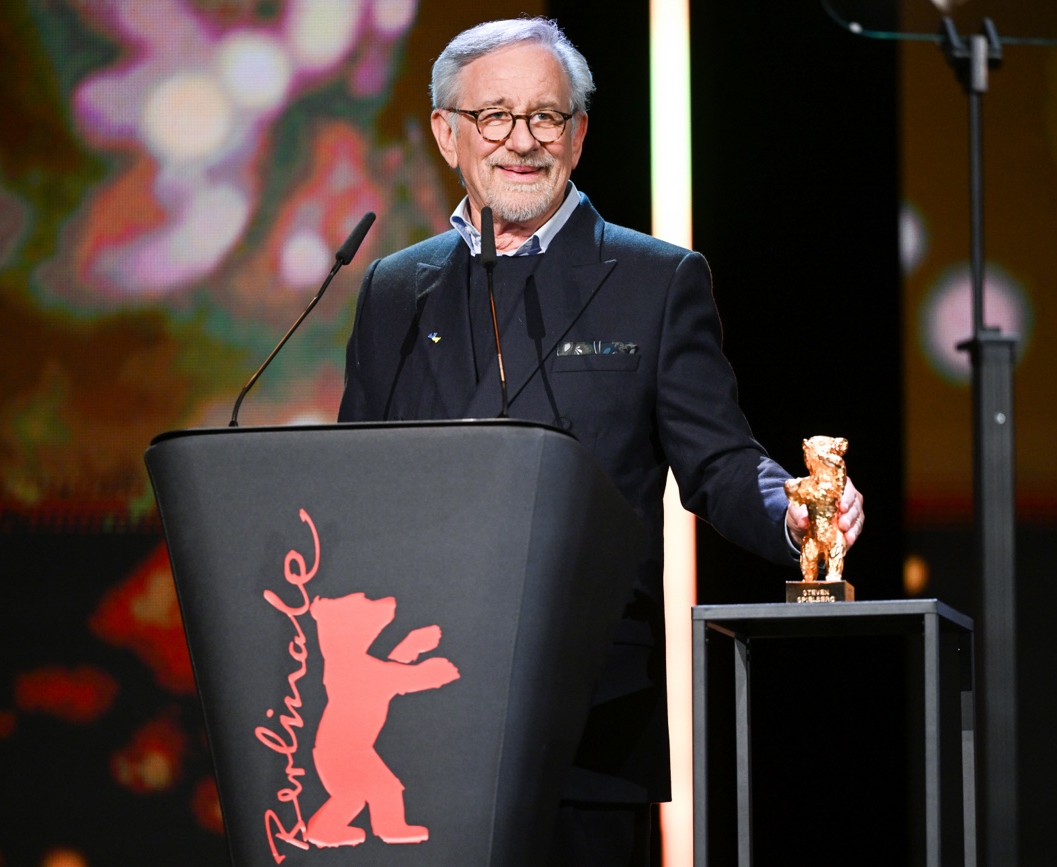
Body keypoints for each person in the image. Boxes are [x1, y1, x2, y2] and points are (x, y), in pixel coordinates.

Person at [337, 16, 864, 866]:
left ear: (578, 135)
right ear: (446, 133)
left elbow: (720, 460)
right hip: (418, 725)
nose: (522, 141)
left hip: (589, 716)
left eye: (546, 117)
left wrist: (798, 512)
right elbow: (351, 480)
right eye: (495, 117)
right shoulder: (396, 290)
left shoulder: (655, 281)